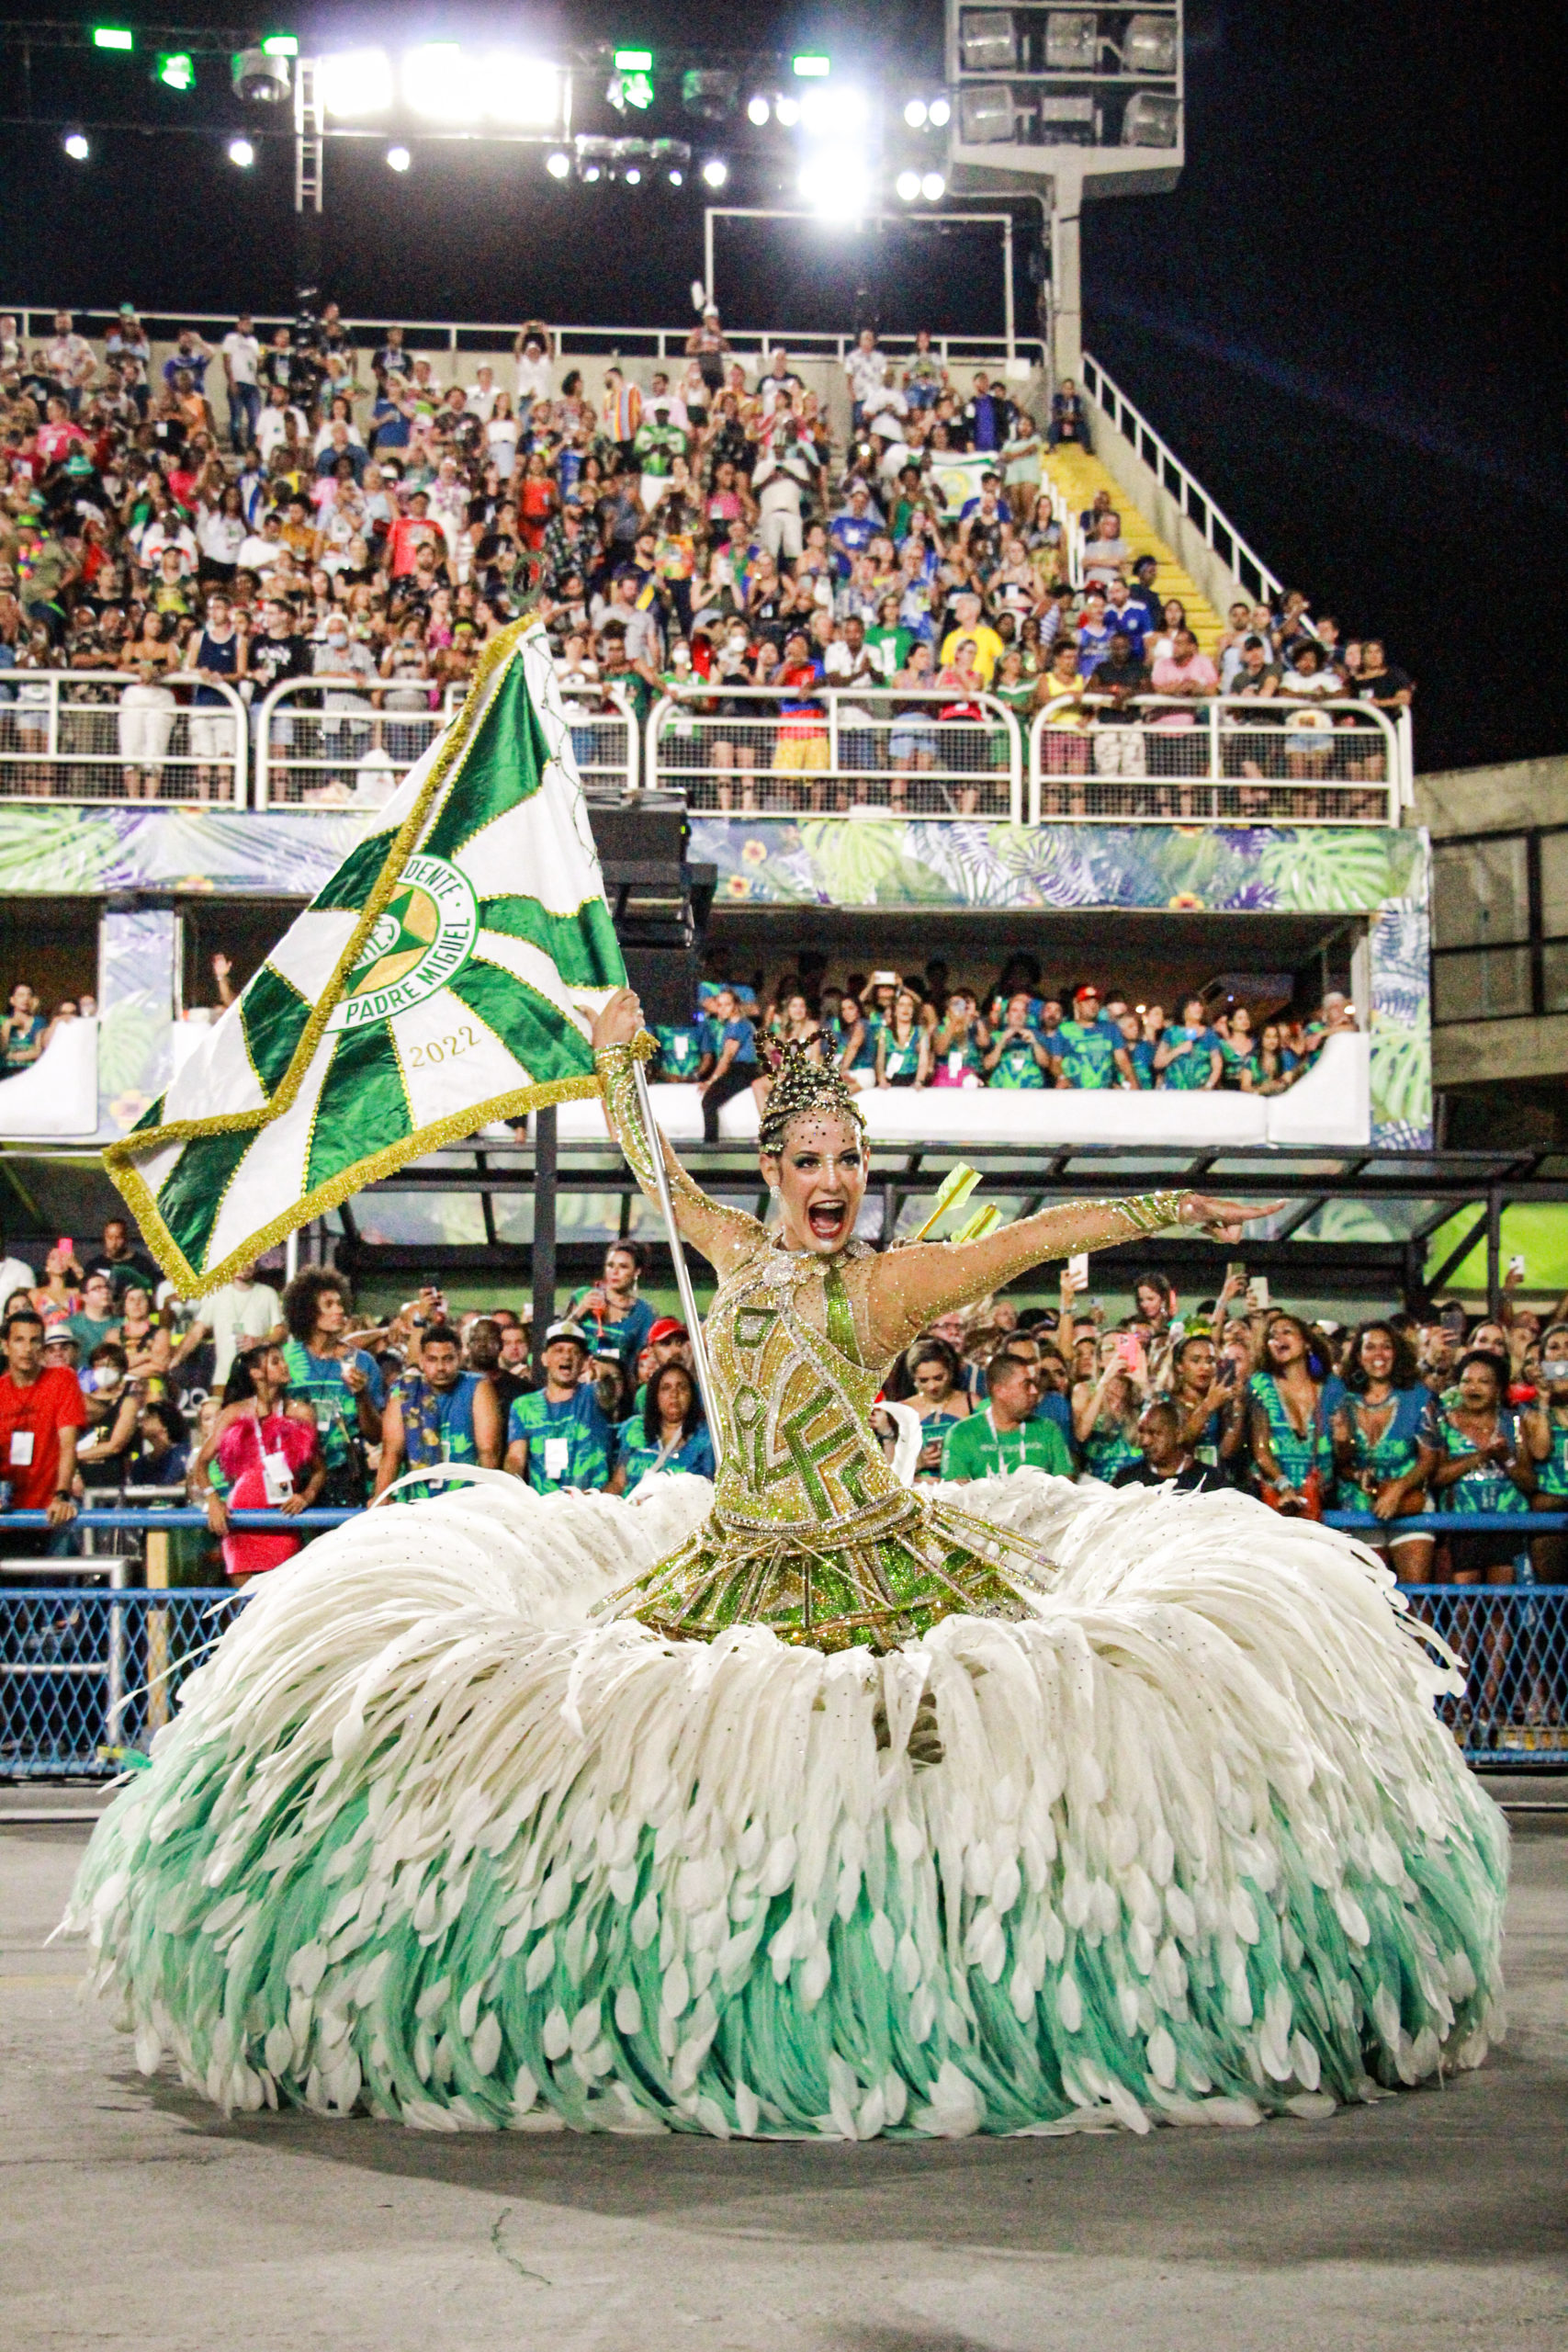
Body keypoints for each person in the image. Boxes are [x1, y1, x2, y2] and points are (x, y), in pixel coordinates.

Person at [70, 1016, 1506, 2149]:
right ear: (776, 1175)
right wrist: (619, 1048)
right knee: (693, 1782)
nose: (831, 1186)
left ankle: (923, 2004)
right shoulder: (729, 1255)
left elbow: (1027, 1241)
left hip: (870, 1566)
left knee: (897, 1771)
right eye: (808, 1165)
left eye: (847, 1164)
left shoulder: (882, 1291)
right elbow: (651, 1172)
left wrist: (1168, 1210)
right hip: (731, 1565)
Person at [188, 1340, 324, 1584]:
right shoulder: (235, 1412)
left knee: (281, 1609)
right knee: (244, 1611)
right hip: (241, 1522)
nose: (285, 1365)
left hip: (283, 1520)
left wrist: (306, 1496)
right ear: (256, 1373)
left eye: (282, 1359)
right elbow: (201, 1463)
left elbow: (318, 1470)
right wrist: (213, 1500)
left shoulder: (301, 1413)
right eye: (275, 1361)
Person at [1331, 1323, 1440, 1577]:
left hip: (1409, 1500)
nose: (1378, 1354)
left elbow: (1428, 1460)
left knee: (1416, 1597)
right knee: (1368, 1600)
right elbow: (1339, 1462)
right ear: (1358, 1356)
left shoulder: (1418, 1396)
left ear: (1397, 1353)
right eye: (1370, 1347)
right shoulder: (1343, 1398)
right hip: (1358, 1504)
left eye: (1386, 1347)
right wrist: (1344, 1445)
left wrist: (1397, 1491)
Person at [278, 1268, 384, 1508]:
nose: (339, 1310)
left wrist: (361, 1395)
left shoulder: (363, 1362)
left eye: (339, 1303)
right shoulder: (286, 1361)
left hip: (349, 1476)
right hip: (296, 1476)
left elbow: (376, 1434)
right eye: (328, 1304)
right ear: (306, 1310)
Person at [374, 1323, 503, 1502]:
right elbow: (391, 1452)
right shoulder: (404, 1390)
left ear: (460, 1357)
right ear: (421, 1360)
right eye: (432, 1359)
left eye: (448, 1359)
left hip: (467, 1502)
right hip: (416, 1502)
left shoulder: (478, 1386)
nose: (441, 1367)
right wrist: (381, 1497)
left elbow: (488, 1450)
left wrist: (486, 1500)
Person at [0, 1306, 85, 1541]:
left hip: (50, 1513)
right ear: (5, 1346)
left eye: (35, 1340)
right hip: (6, 1517)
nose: (27, 1349)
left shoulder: (63, 1380)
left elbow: (68, 1444)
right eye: (19, 1340)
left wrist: (62, 1495)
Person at [504, 1320, 615, 1493]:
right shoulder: (524, 1405)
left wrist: (601, 1370)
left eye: (574, 1352)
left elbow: (613, 1389)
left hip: (592, 1508)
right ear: (544, 1358)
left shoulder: (594, 1395)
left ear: (584, 1361)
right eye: (558, 1350)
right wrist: (510, 1492)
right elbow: (516, 1457)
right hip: (544, 1508)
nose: (567, 1357)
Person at [1248, 1314, 1341, 1517]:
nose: (1278, 1339)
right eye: (1272, 1336)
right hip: (1272, 1497)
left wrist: (1344, 1440)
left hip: (1324, 1498)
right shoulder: (1262, 1385)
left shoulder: (1333, 1387)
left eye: (1287, 1332)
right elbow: (1261, 1451)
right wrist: (1285, 1486)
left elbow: (1345, 1455)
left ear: (1307, 1343)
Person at [938, 1343, 1069, 1483]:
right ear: (1000, 1391)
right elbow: (955, 1491)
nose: (1034, 1391)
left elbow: (1065, 1483)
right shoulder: (962, 1433)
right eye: (1026, 1385)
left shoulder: (1048, 1430)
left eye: (1034, 1384)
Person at [169, 1260, 282, 1389]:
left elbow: (281, 1332)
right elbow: (196, 1332)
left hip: (259, 1380)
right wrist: (175, 1360)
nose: (245, 1264)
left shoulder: (268, 1294)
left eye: (250, 1259)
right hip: (223, 1380)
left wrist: (259, 1341)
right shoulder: (216, 1294)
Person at [609, 1362, 716, 1496]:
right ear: (655, 1395)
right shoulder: (635, 1430)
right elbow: (618, 1483)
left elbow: (708, 1492)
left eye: (682, 1387)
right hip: (631, 1512)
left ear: (692, 1395)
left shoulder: (705, 1440)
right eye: (666, 1388)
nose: (674, 1394)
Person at [570, 1242, 656, 1378]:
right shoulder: (583, 1296)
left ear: (636, 1271)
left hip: (616, 1387)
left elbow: (639, 1360)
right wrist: (580, 1311)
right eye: (610, 1265)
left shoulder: (643, 1313)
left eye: (623, 1267)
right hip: (576, 1383)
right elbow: (558, 1337)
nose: (615, 1272)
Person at [1113, 1399, 1230, 1493]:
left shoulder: (1209, 1481)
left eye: (1155, 1433)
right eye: (1142, 1432)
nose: (1145, 1441)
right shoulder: (1127, 1481)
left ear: (1178, 1435)